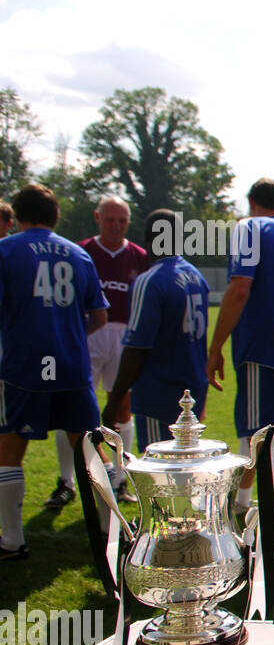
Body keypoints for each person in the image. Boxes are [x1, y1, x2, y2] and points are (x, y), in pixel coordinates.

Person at [206, 178, 274, 577]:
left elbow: (239, 289)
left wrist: (216, 345)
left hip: (263, 354)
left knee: (261, 451)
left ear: (252, 203)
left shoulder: (250, 228)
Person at [0, 184, 109, 560]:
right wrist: (70, 334)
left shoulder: (6, 249)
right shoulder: (79, 254)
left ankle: (13, 541)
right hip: (71, 364)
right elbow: (99, 316)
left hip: (24, 365)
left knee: (10, 446)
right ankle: (111, 536)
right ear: (56, 215)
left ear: (16, 216)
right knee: (90, 448)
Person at [47, 196, 150, 509]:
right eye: (110, 220)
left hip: (124, 336)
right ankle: (67, 481)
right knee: (70, 410)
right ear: (97, 218)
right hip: (86, 334)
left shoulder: (139, 256)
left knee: (122, 406)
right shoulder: (80, 252)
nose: (116, 226)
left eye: (122, 220)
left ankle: (120, 480)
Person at [102, 209, 210, 451]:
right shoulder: (197, 277)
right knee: (186, 468)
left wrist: (114, 401)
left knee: (159, 474)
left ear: (150, 240)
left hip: (160, 392)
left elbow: (137, 348)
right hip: (192, 390)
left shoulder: (150, 280)